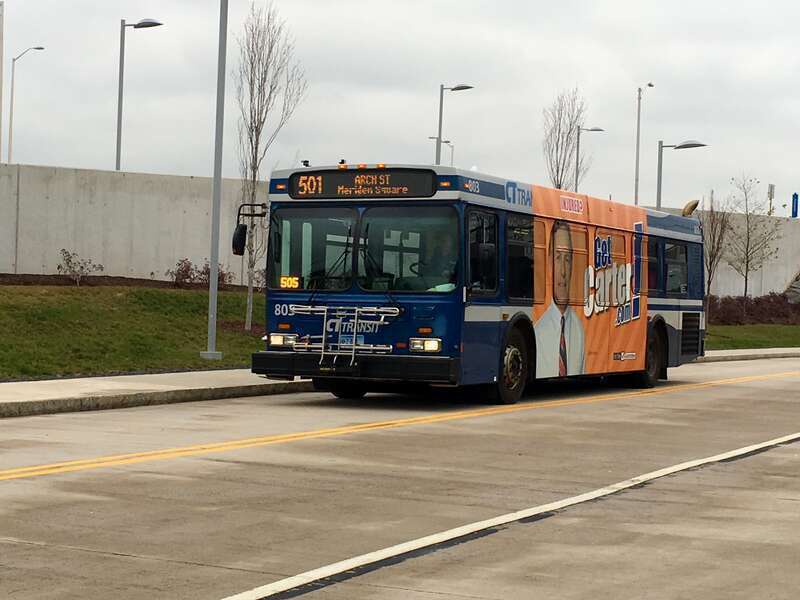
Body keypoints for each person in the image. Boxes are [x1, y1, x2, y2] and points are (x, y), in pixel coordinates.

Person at [534, 220, 585, 377]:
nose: (562, 271)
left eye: (567, 259)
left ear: (572, 265)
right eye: (557, 258)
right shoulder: (537, 332)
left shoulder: (579, 329)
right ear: (549, 263)